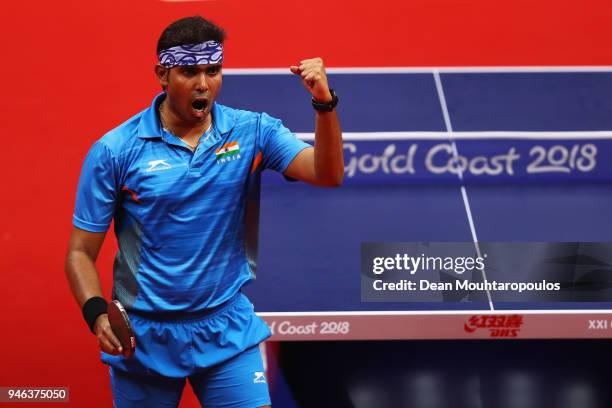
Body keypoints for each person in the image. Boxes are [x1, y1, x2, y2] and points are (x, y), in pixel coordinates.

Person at [64, 15, 343, 407]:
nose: (203, 84)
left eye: (213, 71)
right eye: (189, 72)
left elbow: (327, 173)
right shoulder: (115, 150)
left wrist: (323, 103)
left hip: (225, 329)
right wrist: (96, 313)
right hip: (146, 337)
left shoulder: (253, 132)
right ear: (162, 74)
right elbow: (79, 252)